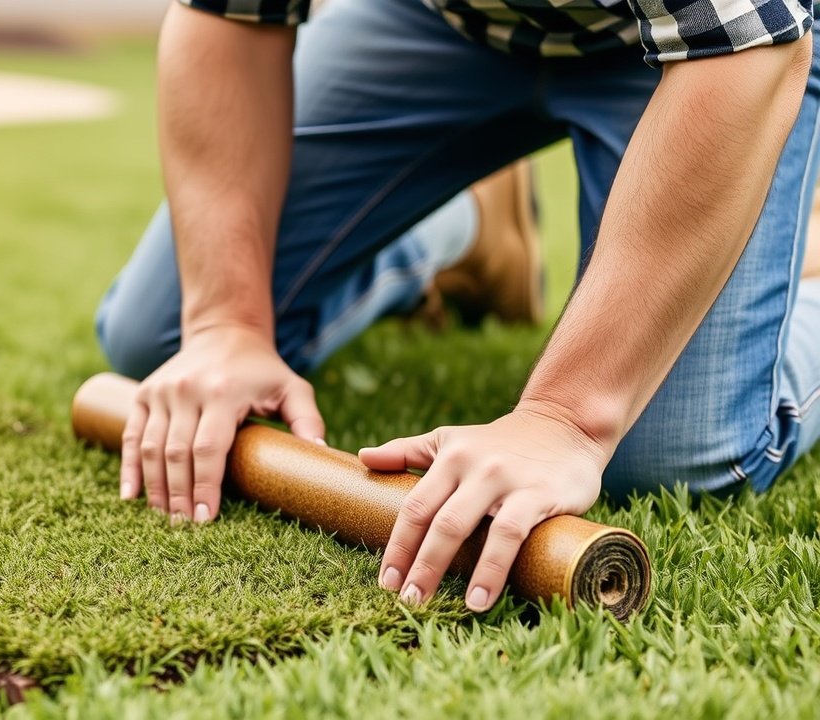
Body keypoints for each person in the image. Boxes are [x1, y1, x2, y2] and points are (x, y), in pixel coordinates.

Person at [95, 0, 820, 613]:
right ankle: (469, 232)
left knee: (665, 457)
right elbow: (226, 14)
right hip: (443, 23)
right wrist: (227, 324)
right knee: (162, 341)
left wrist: (564, 419)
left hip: (706, 52)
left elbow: (742, 46)